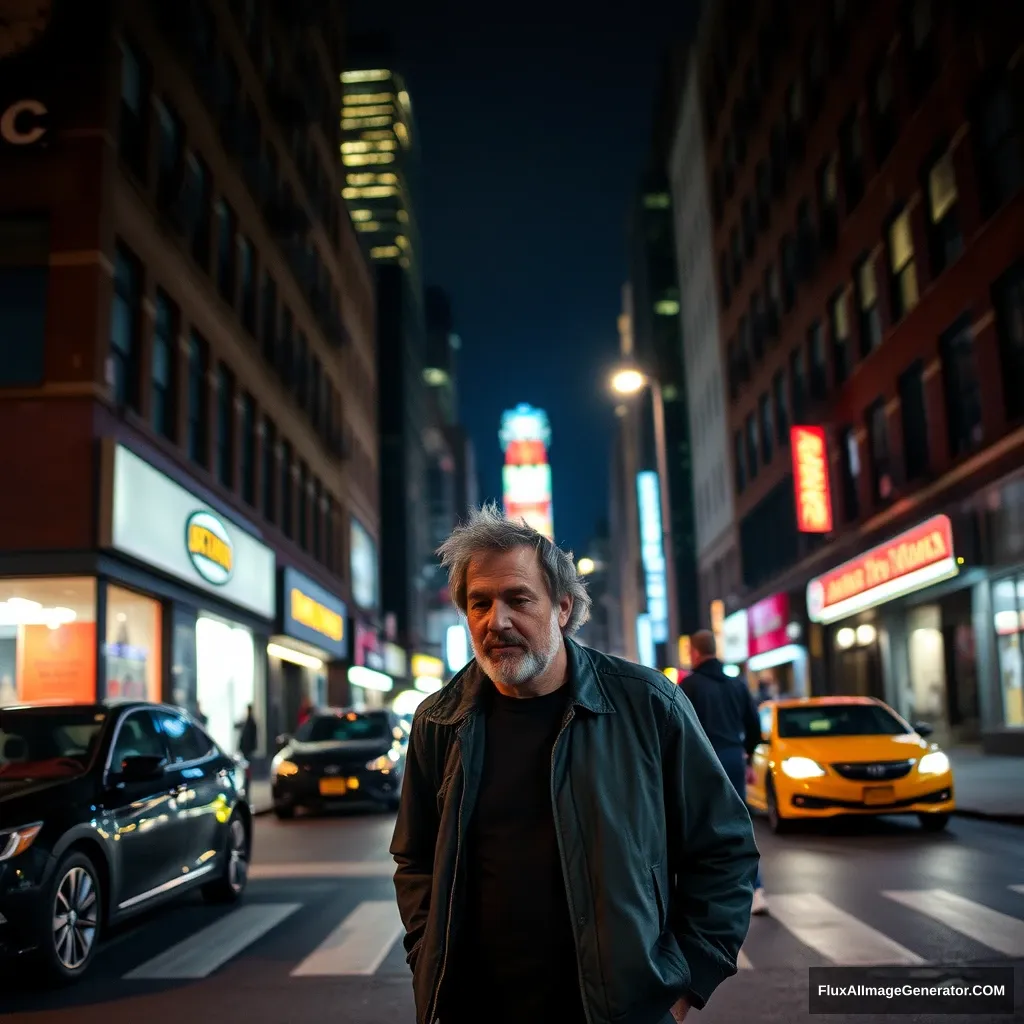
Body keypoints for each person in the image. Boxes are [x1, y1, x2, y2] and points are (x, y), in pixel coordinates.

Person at [391, 504, 759, 1024]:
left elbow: (724, 849)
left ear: (562, 608)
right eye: (479, 603)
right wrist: (427, 958)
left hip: (618, 1011)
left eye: (518, 599)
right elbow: (415, 860)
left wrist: (684, 984)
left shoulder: (648, 704)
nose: (497, 621)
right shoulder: (439, 721)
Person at [682, 630, 768, 916]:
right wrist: (745, 759)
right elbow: (755, 728)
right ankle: (755, 889)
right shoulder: (738, 685)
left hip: (701, 761)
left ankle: (707, 892)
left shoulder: (690, 686)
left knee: (699, 825)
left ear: (694, 652)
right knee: (740, 825)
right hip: (732, 757)